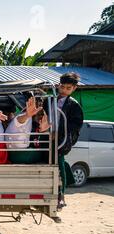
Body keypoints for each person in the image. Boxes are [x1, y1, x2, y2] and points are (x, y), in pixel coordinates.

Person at [54, 72, 84, 208]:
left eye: (68, 88)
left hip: (61, 141)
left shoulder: (74, 105)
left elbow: (75, 126)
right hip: (45, 137)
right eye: (63, 87)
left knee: (60, 163)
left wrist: (60, 136)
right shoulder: (51, 99)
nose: (64, 90)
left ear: (74, 89)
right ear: (58, 85)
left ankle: (61, 195)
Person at [5, 97, 48, 163]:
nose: (39, 108)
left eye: (41, 114)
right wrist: (27, 115)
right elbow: (19, 122)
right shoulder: (24, 116)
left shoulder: (37, 123)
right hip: (18, 153)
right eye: (36, 105)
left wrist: (42, 131)